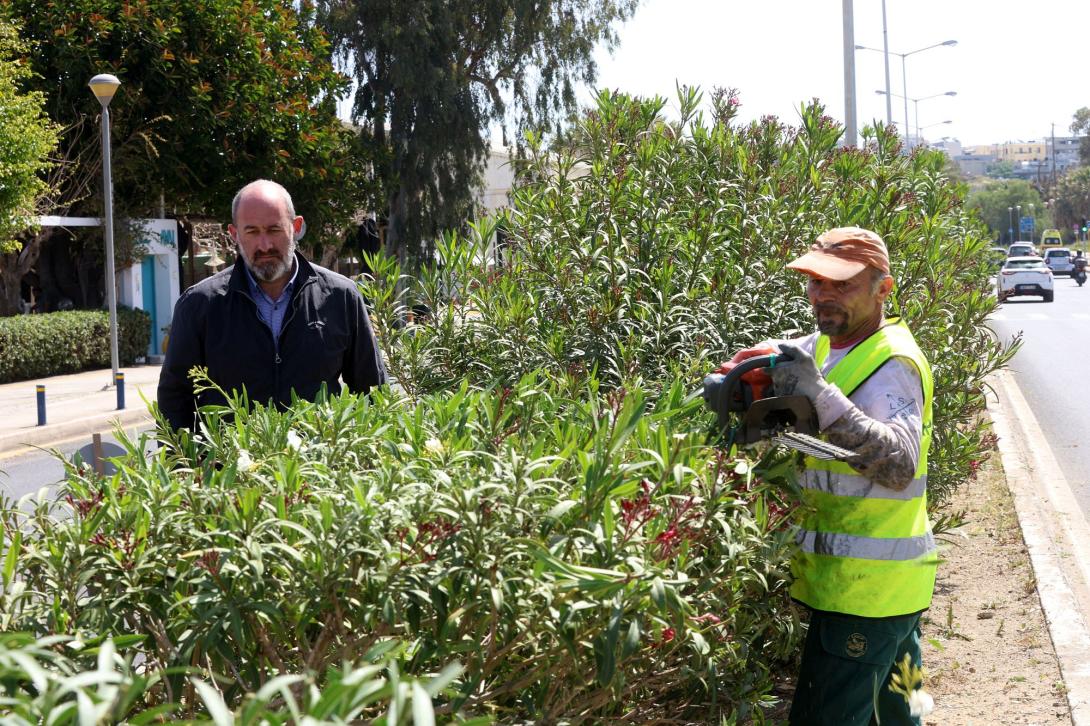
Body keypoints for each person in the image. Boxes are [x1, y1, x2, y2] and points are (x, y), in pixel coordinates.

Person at [721, 227, 935, 726]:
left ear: (883, 289)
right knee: (898, 715)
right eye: (816, 282)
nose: (823, 295)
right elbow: (777, 367)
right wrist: (747, 377)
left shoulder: (893, 363)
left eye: (842, 284)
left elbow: (899, 465)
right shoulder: (821, 347)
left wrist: (819, 397)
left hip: (864, 595)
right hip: (888, 592)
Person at [158, 179, 386, 431]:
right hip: (231, 468)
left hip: (319, 466)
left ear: (296, 227)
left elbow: (372, 392)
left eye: (274, 229)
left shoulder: (341, 297)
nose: (264, 245)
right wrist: (187, 468)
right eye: (252, 231)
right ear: (234, 234)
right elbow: (175, 400)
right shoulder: (199, 305)